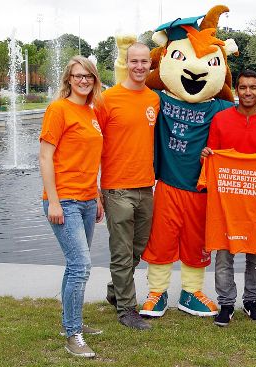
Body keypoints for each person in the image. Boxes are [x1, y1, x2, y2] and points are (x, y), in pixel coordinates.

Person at [201, 70, 256, 327]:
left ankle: (251, 301)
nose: (248, 92)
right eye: (243, 87)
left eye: (253, 87)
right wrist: (207, 155)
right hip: (227, 200)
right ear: (236, 90)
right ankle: (226, 304)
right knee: (224, 254)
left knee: (255, 253)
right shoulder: (220, 119)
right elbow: (212, 153)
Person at [39, 55, 104, 358]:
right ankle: (73, 334)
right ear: (68, 79)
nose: (83, 80)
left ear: (94, 80)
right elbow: (45, 157)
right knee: (81, 266)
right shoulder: (58, 109)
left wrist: (98, 196)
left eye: (88, 76)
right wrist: (53, 200)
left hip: (88, 199)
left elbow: (90, 159)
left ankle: (70, 321)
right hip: (64, 200)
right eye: (77, 76)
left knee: (74, 266)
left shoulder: (91, 111)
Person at [95, 42, 160, 331]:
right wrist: (94, 188)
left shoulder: (153, 99)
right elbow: (92, 143)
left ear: (150, 64)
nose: (139, 66)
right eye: (134, 61)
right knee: (121, 252)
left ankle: (115, 291)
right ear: (127, 62)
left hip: (146, 186)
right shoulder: (107, 99)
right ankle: (127, 310)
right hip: (116, 187)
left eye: (144, 61)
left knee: (138, 248)